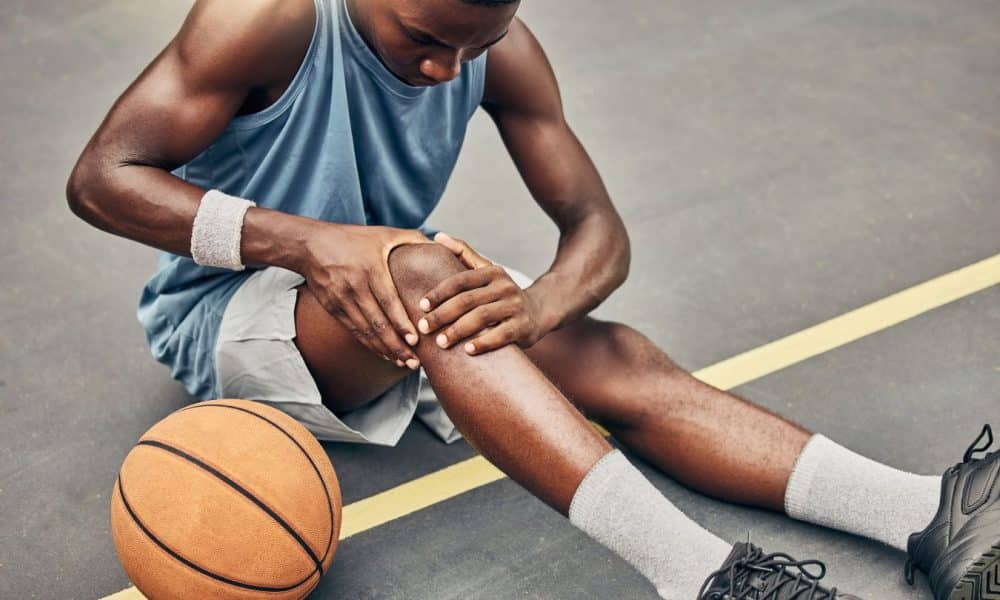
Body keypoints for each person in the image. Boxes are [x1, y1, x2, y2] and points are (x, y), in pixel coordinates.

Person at [66, 0, 999, 597]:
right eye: (424, 38)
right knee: (434, 276)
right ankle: (702, 577)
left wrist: (546, 305)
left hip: (393, 293)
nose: (445, 69)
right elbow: (102, 180)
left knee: (607, 352)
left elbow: (598, 228)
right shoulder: (263, 19)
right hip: (231, 314)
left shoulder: (491, 48)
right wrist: (311, 243)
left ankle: (925, 509)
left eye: (474, 41)